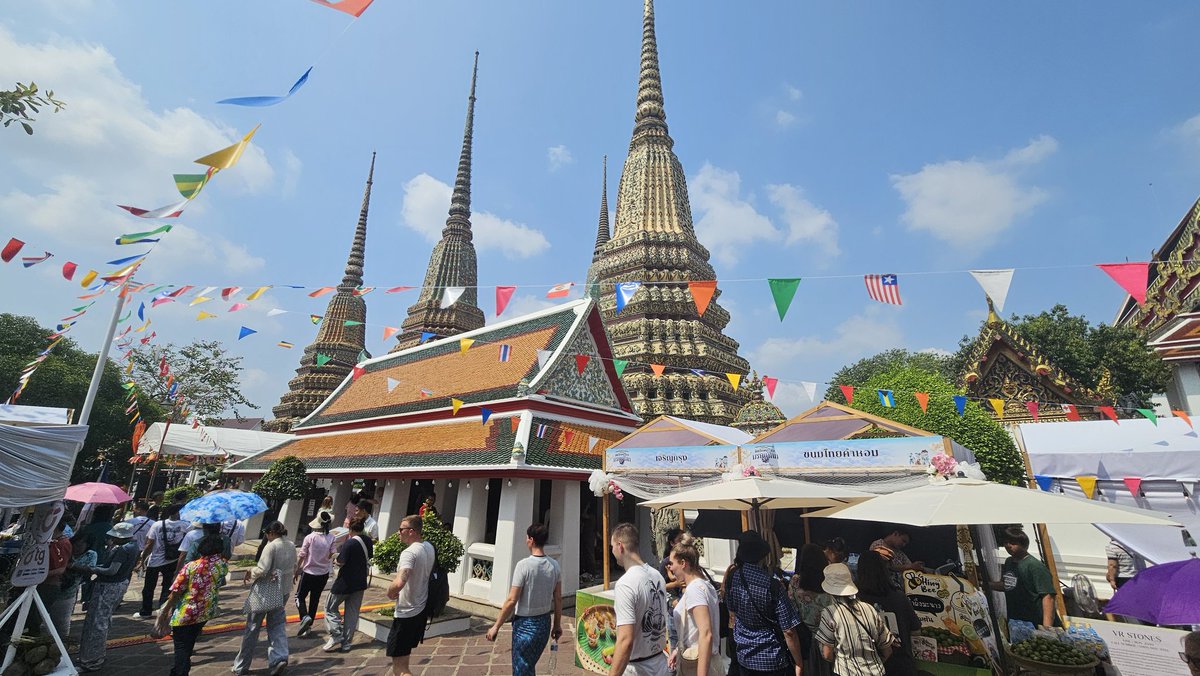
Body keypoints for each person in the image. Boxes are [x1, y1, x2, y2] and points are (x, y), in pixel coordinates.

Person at [486, 523, 564, 676]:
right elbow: (558, 599)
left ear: (531, 540)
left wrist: (496, 626)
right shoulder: (554, 566)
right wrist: (557, 625)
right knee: (528, 666)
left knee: (521, 668)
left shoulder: (524, 566)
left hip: (525, 625)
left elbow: (511, 600)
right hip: (544, 623)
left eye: (527, 537)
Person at [725, 530, 804, 676]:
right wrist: (798, 662)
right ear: (762, 556)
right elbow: (789, 631)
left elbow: (732, 613)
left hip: (744, 656)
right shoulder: (772, 585)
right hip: (771, 657)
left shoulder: (732, 578)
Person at [233, 521, 297, 675]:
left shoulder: (272, 546)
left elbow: (262, 569)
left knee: (252, 628)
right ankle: (279, 657)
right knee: (277, 625)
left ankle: (241, 665)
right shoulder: (291, 544)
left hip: (266, 591)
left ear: (271, 533)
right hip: (284, 589)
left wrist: (250, 571)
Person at [160, 534, 229, 676]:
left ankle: (181, 671)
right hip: (206, 610)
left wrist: (165, 610)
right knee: (189, 641)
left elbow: (175, 592)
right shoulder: (222, 565)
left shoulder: (191, 566)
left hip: (186, 611)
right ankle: (179, 669)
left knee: (181, 645)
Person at [608, 522, 671, 676]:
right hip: (659, 663)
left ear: (620, 546)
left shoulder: (625, 583)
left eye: (612, 547)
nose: (612, 551)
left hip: (637, 669)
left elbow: (625, 640)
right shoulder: (657, 575)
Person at [78, 522, 141, 672]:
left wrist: (91, 568)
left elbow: (112, 570)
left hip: (108, 586)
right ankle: (93, 655)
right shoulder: (134, 546)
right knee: (103, 620)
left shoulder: (123, 549)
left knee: (97, 623)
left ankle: (92, 659)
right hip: (119, 585)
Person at [815, 563, 895, 676]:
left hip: (845, 672)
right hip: (876, 671)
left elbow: (827, 654)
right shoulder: (869, 608)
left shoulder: (830, 613)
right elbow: (888, 650)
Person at [386, 514, 436, 675]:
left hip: (406, 611)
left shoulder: (409, 553)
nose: (398, 532)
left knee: (400, 668)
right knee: (404, 659)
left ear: (412, 531)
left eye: (401, 529)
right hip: (421, 607)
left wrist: (390, 591)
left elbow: (400, 582)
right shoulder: (429, 547)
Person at [855, 550, 919, 676]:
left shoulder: (854, 600)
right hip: (901, 665)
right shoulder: (899, 597)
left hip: (866, 666)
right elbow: (916, 630)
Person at [666, 542, 720, 676]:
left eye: (672, 563)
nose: (670, 568)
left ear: (683, 563)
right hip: (697, 659)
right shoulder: (704, 585)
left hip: (699, 665)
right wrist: (678, 650)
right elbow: (694, 631)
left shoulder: (695, 589)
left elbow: (706, 634)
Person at [990, 527, 1058, 627]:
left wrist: (1046, 627)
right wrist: (986, 585)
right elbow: (1007, 585)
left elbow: (1048, 597)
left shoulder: (1034, 566)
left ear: (1024, 545)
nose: (1008, 546)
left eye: (1013, 543)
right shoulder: (1009, 562)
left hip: (1034, 621)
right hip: (1016, 620)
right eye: (1006, 542)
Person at [324, 518, 373, 653]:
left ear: (350, 529)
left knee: (330, 607)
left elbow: (341, 562)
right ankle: (347, 643)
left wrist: (335, 557)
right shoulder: (368, 541)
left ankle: (336, 633)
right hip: (360, 581)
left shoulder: (349, 543)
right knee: (352, 613)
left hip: (344, 582)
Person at [135, 503, 189, 619]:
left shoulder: (157, 525)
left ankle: (146, 610)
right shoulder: (185, 526)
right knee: (167, 587)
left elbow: (149, 543)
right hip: (173, 559)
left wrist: (143, 558)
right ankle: (163, 609)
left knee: (149, 587)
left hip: (155, 560)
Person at [788, 543, 833, 676]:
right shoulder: (829, 583)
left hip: (804, 638)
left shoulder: (796, 582)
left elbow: (792, 609)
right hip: (828, 638)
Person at [296, 511, 337, 637]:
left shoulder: (310, 537)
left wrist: (297, 569)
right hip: (323, 573)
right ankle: (309, 624)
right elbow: (332, 554)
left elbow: (302, 554)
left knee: (299, 597)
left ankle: (304, 617)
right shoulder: (331, 537)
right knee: (315, 599)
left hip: (309, 572)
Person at [49, 535, 96, 640]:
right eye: (75, 545)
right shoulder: (64, 551)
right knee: (47, 620)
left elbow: (90, 570)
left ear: (87, 545)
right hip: (52, 589)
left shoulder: (90, 555)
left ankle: (61, 645)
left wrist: (71, 566)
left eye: (80, 545)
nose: (77, 548)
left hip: (68, 592)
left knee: (62, 622)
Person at [657, 528, 691, 607]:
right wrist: (675, 584)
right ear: (672, 543)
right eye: (679, 539)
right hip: (674, 605)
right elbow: (658, 587)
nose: (682, 543)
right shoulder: (666, 563)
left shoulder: (689, 560)